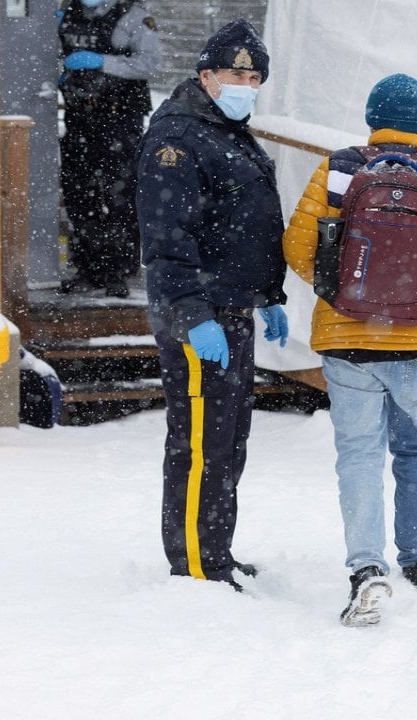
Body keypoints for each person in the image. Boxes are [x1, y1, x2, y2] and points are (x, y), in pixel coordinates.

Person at [282, 73, 417, 626]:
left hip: (349, 341)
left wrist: (340, 292)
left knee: (360, 456)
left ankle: (367, 569)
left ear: (373, 117)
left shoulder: (342, 168)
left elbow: (298, 245)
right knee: (415, 451)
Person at [136, 19, 289, 591]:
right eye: (236, 72)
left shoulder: (229, 131)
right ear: (206, 75)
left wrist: (268, 294)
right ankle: (197, 564)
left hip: (233, 309)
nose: (246, 82)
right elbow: (167, 237)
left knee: (226, 439)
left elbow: (244, 227)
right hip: (199, 313)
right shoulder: (178, 137)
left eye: (254, 74)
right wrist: (193, 313)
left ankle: (213, 549)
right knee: (202, 442)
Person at [57, 0, 161, 298]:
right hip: (80, 118)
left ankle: (117, 269)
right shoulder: (67, 13)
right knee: (80, 194)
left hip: (120, 119)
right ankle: (87, 267)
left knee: (120, 196)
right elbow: (49, 53)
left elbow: (151, 63)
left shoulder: (133, 17)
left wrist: (101, 61)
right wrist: (61, 70)